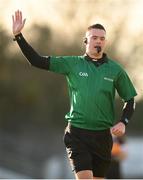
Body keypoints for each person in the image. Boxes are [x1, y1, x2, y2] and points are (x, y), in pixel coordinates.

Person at [12, 10, 137, 179]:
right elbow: (37, 60)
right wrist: (18, 36)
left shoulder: (115, 70)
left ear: (105, 42)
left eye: (102, 38)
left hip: (103, 137)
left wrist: (123, 122)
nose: (98, 41)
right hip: (78, 134)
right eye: (94, 37)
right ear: (86, 41)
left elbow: (129, 99)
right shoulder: (72, 64)